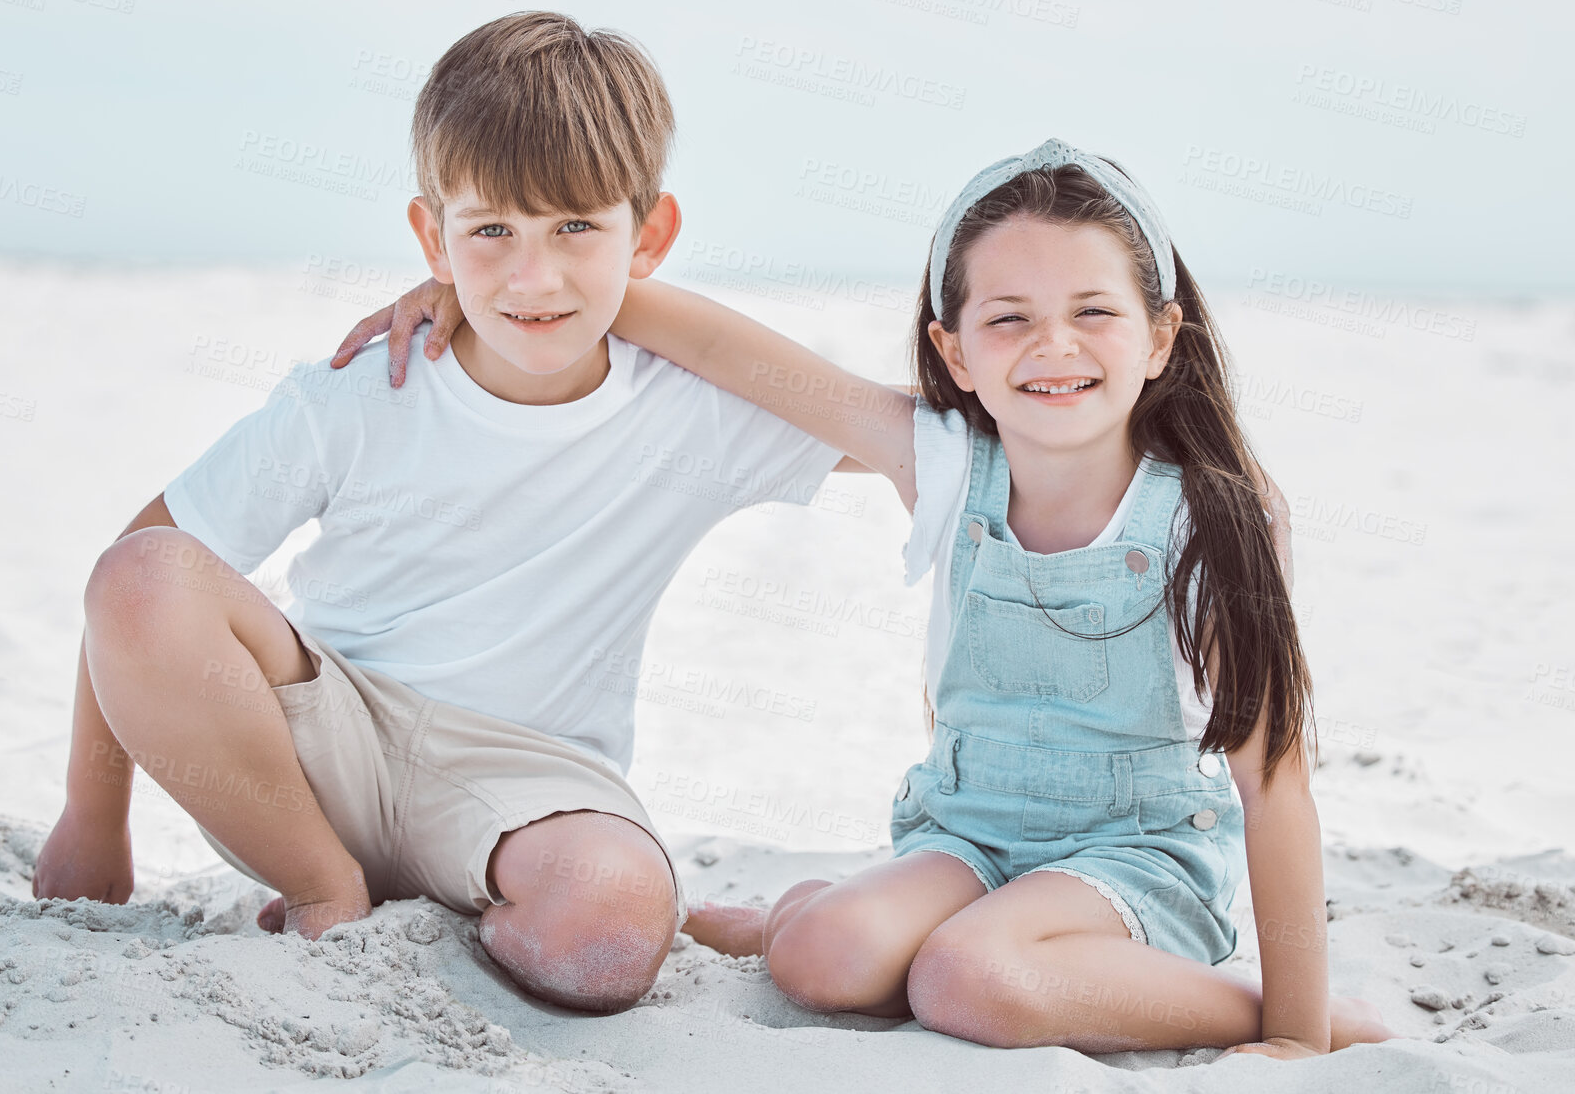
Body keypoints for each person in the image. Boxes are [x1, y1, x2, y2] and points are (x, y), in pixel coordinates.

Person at [347, 138, 1394, 1056]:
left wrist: (1300, 1033)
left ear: (1161, 337)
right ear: (953, 350)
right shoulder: (944, 462)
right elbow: (736, 356)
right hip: (969, 836)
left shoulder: (1211, 522)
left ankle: (1248, 1005)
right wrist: (491, 293)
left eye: (1093, 312)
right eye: (1009, 316)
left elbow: (1277, 785)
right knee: (819, 957)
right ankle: (796, 912)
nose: (1053, 345)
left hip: (1137, 861)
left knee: (966, 978)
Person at [29, 11, 847, 1014]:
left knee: (609, 929)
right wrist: (93, 812)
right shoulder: (362, 390)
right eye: (490, 229)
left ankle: (554, 907)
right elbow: (139, 569)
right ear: (433, 235)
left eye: (577, 226)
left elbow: (907, 428)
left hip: (531, 784)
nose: (531, 275)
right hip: (319, 744)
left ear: (653, 234)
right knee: (145, 573)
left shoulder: (694, 412)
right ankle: (329, 888)